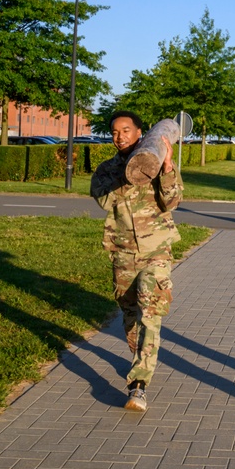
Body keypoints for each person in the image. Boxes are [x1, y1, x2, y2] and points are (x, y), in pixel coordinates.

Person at [91, 111, 183, 412]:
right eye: (115, 132)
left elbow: (172, 202)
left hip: (156, 252)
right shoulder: (106, 170)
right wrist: (131, 171)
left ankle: (138, 385)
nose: (120, 137)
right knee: (130, 315)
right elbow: (104, 199)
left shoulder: (157, 163)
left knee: (150, 312)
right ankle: (138, 355)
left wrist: (166, 167)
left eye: (126, 131)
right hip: (123, 252)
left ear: (140, 132)